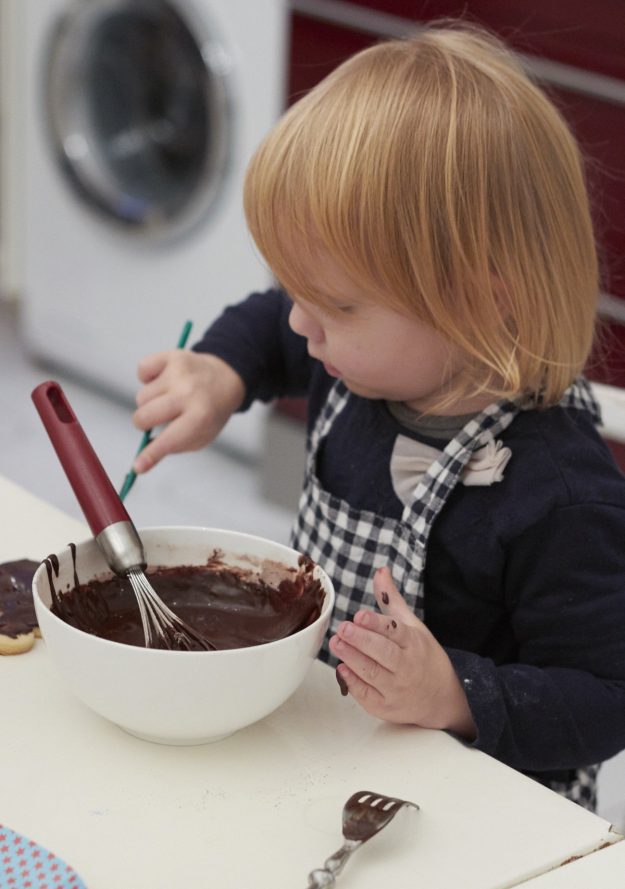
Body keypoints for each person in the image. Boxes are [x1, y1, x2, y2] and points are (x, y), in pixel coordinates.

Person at [131, 22, 625, 810]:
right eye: (297, 290)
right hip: (335, 749)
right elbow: (266, 327)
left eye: (334, 304)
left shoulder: (560, 495)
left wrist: (455, 693)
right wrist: (218, 374)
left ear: (475, 299)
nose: (299, 325)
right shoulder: (359, 360)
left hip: (482, 809)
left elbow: (604, 696)